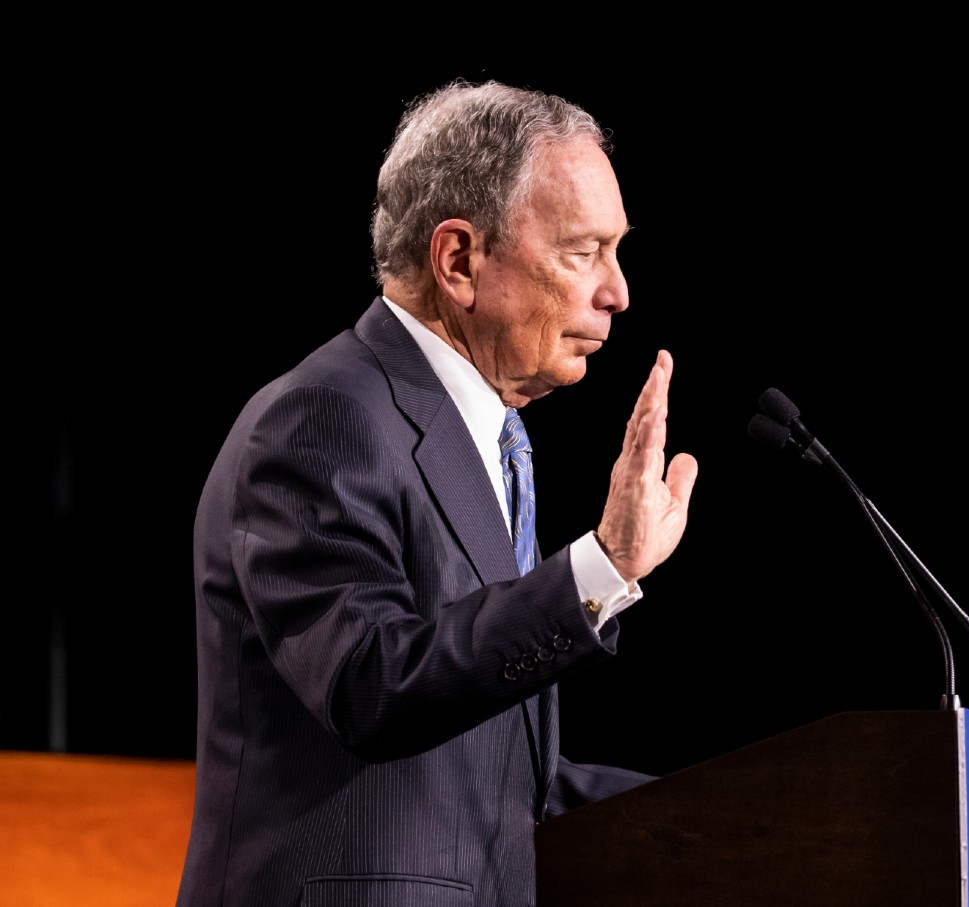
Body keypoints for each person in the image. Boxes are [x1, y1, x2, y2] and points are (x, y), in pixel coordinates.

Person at [175, 79, 699, 906]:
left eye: (618, 249)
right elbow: (373, 685)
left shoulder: (492, 441)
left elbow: (486, 775)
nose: (618, 291)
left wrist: (744, 815)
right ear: (458, 259)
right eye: (582, 251)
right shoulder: (319, 420)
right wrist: (598, 570)